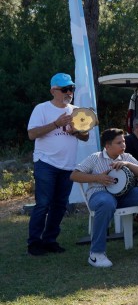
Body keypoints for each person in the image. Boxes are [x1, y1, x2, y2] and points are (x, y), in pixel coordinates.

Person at [70, 128, 138, 267]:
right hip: (100, 195)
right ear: (107, 146)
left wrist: (128, 164)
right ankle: (96, 254)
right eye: (119, 143)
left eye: (123, 141)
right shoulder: (95, 157)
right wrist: (98, 178)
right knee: (106, 203)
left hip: (124, 195)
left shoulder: (126, 157)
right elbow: (74, 175)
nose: (123, 145)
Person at [26, 73, 90, 256]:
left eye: (71, 88)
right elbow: (32, 134)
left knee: (60, 205)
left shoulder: (76, 110)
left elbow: (85, 137)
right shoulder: (42, 109)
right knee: (43, 204)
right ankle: (34, 243)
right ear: (53, 91)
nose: (69, 92)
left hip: (67, 165)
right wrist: (56, 123)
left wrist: (76, 132)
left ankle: (50, 240)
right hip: (45, 162)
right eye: (65, 89)